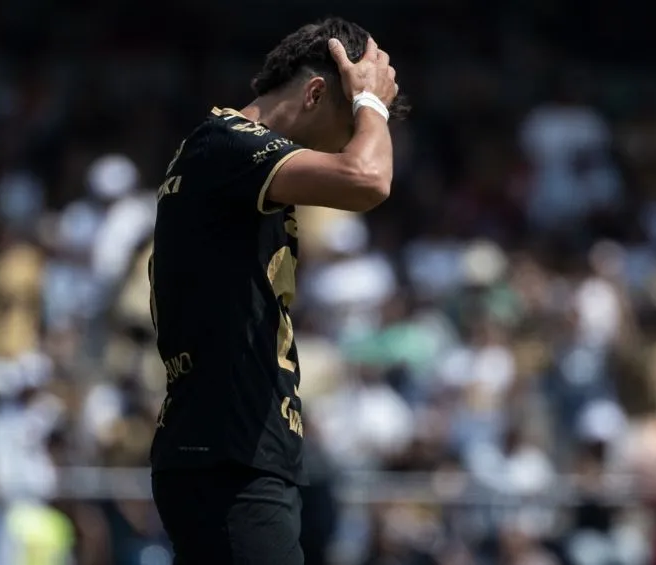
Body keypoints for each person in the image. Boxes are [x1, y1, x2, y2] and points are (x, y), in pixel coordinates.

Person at [148, 17, 406, 565]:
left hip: (230, 452)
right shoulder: (227, 144)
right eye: (346, 126)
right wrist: (371, 106)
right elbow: (368, 178)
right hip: (228, 457)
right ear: (315, 92)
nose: (345, 145)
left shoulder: (223, 157)